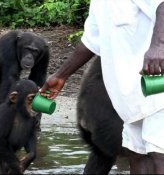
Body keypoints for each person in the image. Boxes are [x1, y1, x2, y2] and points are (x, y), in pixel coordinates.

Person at [40, 0, 164, 174]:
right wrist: (61, 75)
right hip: (130, 97)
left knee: (159, 154)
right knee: (137, 154)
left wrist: (159, 45)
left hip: (158, 84)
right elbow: (91, 41)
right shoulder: (99, 3)